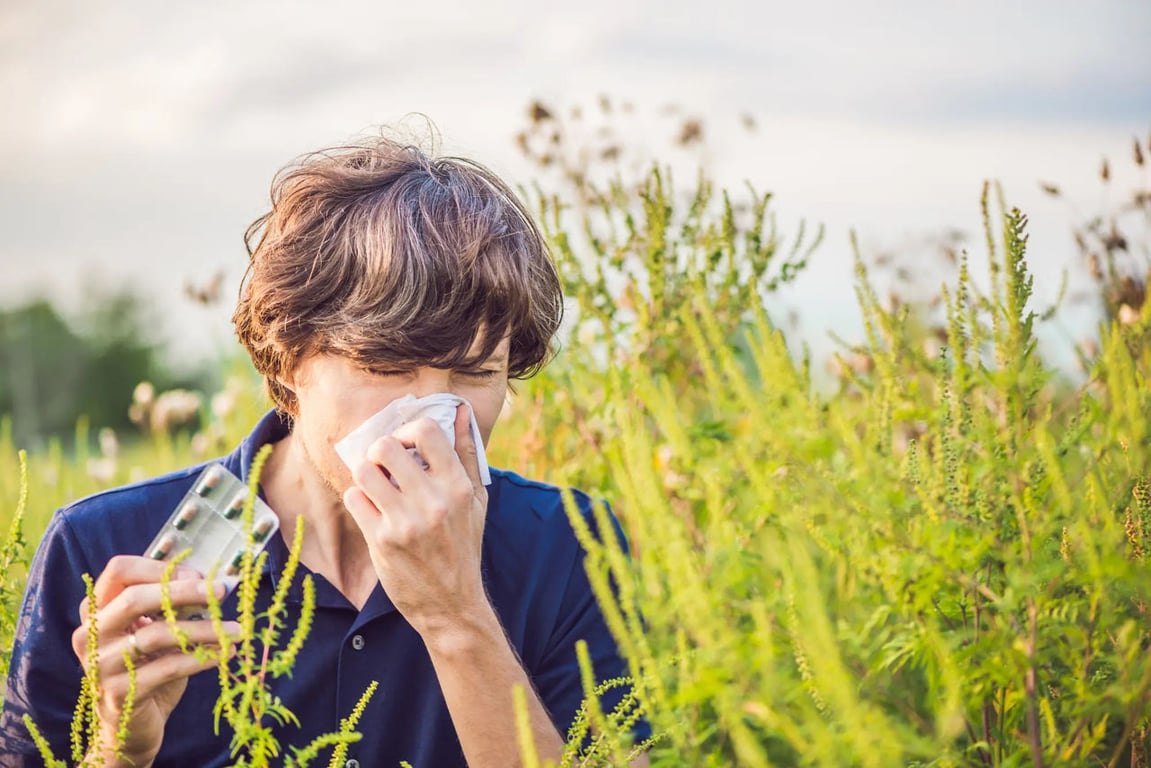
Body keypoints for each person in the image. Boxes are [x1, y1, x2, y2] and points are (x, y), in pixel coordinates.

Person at [0, 134, 649, 767]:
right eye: (385, 367)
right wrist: (118, 749)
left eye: (475, 373)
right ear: (287, 359)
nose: (430, 420)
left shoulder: (568, 545)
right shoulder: (103, 545)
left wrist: (456, 618)